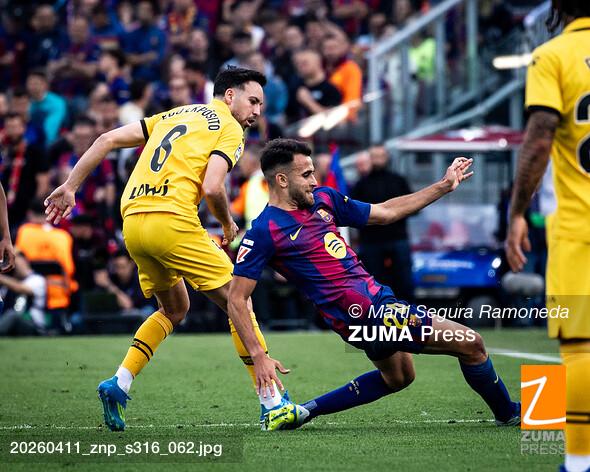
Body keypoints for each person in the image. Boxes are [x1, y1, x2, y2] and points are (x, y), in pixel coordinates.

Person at [44, 68, 291, 432]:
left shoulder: (176, 114)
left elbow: (106, 139)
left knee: (175, 309)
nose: (256, 111)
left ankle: (119, 382)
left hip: (133, 223)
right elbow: (212, 187)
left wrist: (70, 185)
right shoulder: (230, 128)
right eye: (252, 101)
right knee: (239, 300)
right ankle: (272, 402)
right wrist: (227, 224)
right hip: (172, 220)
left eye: (260, 105)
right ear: (229, 96)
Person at [229, 139, 520, 431]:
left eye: (313, 172)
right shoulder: (264, 231)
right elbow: (236, 298)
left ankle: (301, 412)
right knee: (472, 343)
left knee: (399, 377)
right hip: (369, 313)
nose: (314, 181)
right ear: (282, 180)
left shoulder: (323, 199)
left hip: (373, 304)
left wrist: (443, 186)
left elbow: (386, 212)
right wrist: (258, 356)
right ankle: (509, 413)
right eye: (306, 175)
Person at [505, 2, 590, 471]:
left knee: (578, 348)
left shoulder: (554, 55)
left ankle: (577, 462)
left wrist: (517, 212)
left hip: (579, 225)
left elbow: (540, 139)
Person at [352, 145, 414, 302]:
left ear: (387, 157)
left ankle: (409, 313)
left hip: (397, 238)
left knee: (404, 283)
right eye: (375, 156)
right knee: (374, 284)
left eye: (381, 156)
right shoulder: (361, 185)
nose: (378, 160)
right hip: (371, 242)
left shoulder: (399, 181)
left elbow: (413, 206)